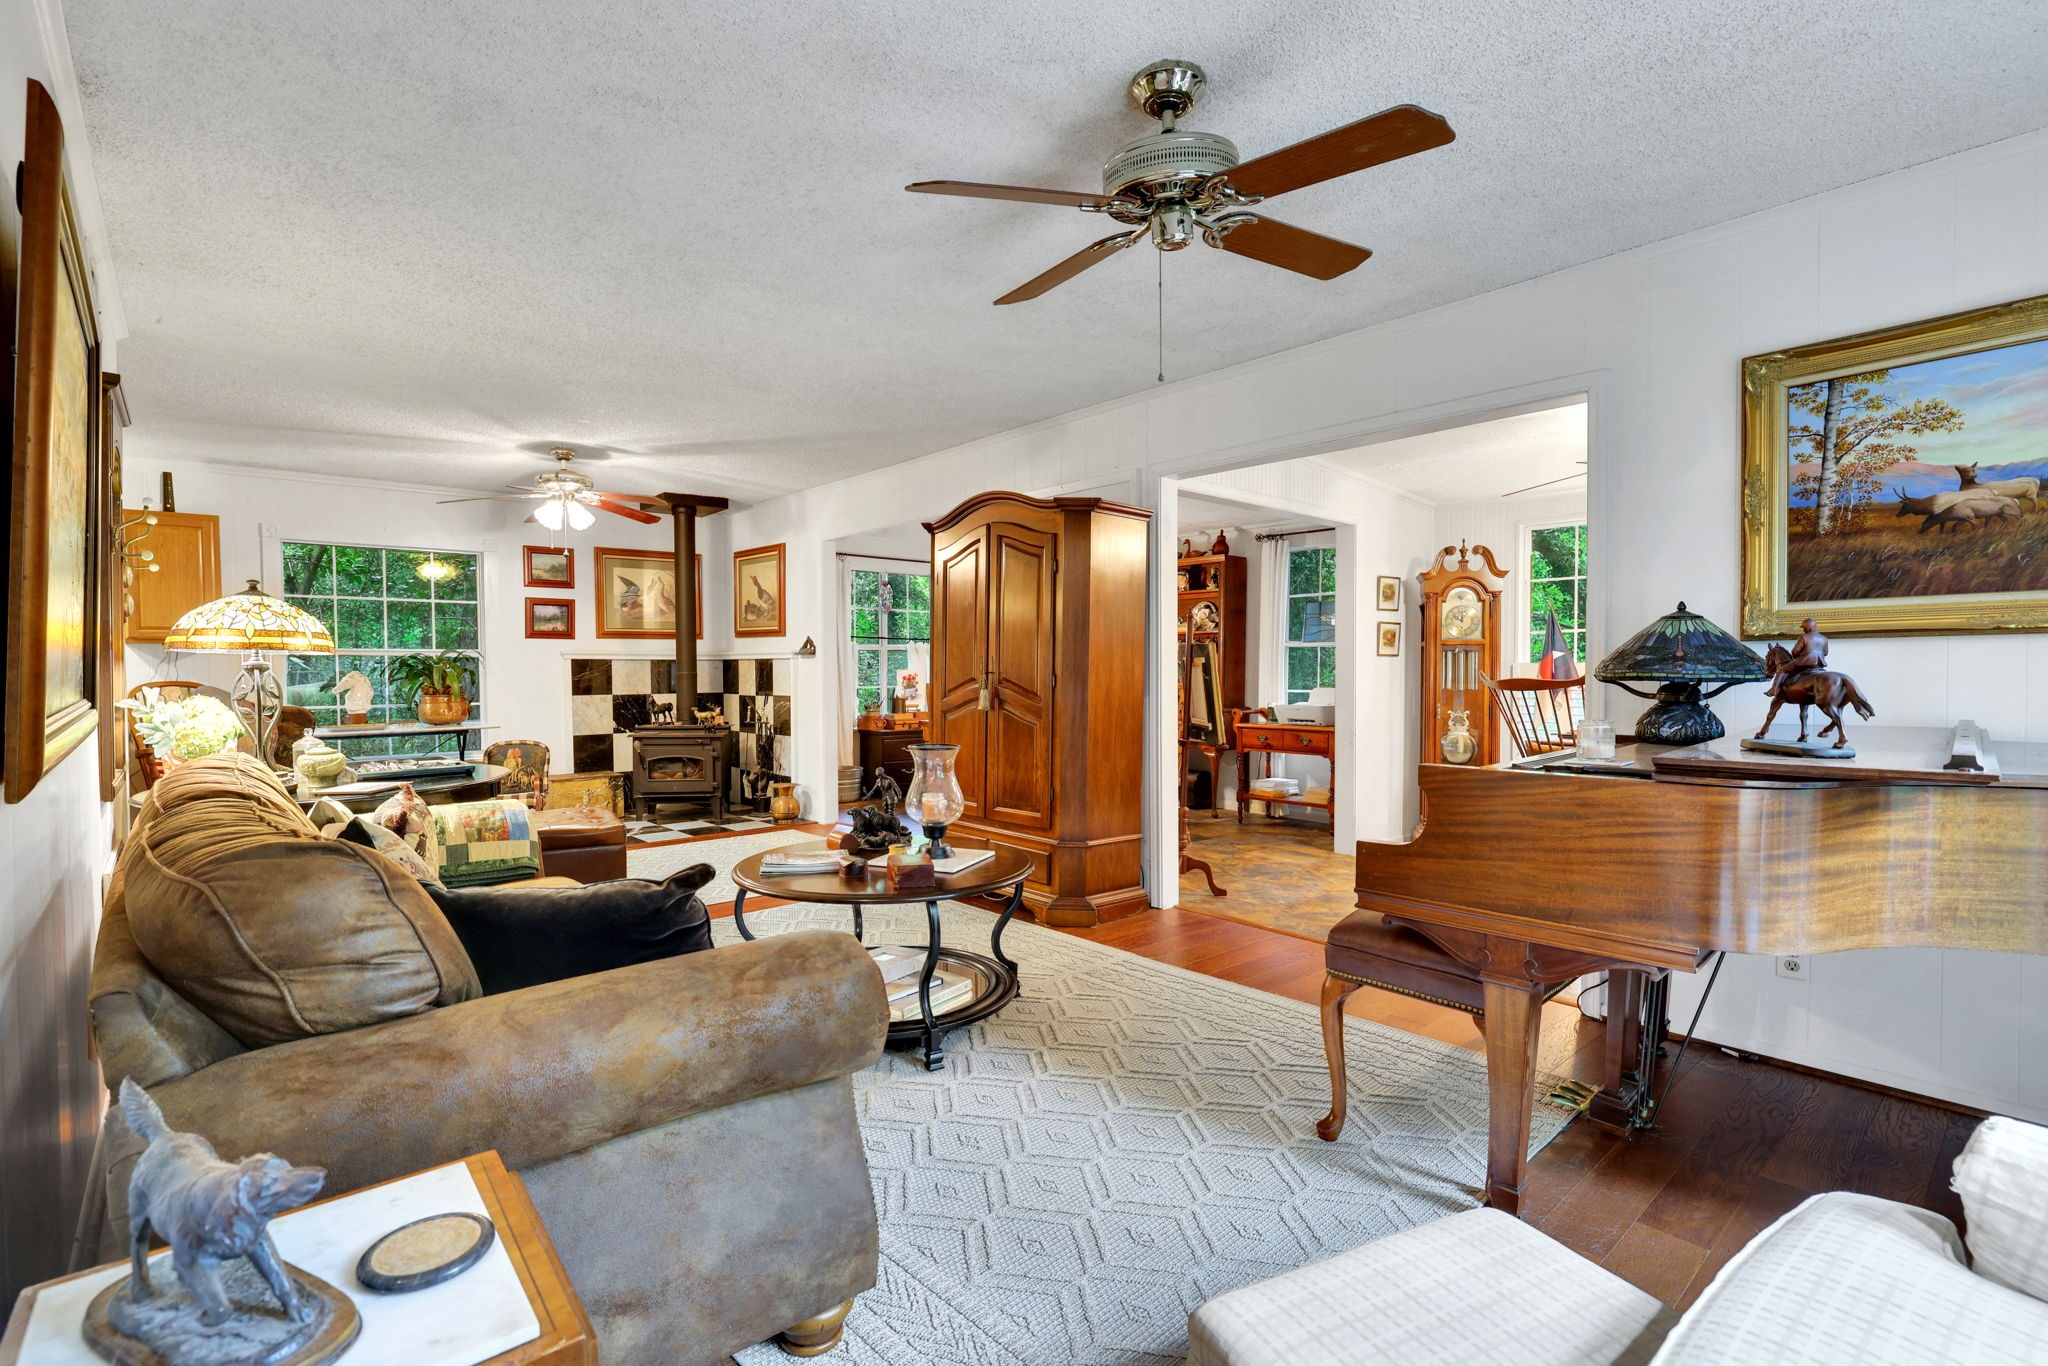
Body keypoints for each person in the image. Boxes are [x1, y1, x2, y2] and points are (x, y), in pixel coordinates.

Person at [1767, 617, 1829, 697]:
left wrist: (1798, 656)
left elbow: (1794, 651)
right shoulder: (1824, 638)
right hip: (1819, 663)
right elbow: (1825, 652)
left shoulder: (1803, 637)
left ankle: (1773, 690)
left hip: (1804, 662)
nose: (1803, 630)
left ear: (1808, 627)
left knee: (1782, 670)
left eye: (1803, 628)